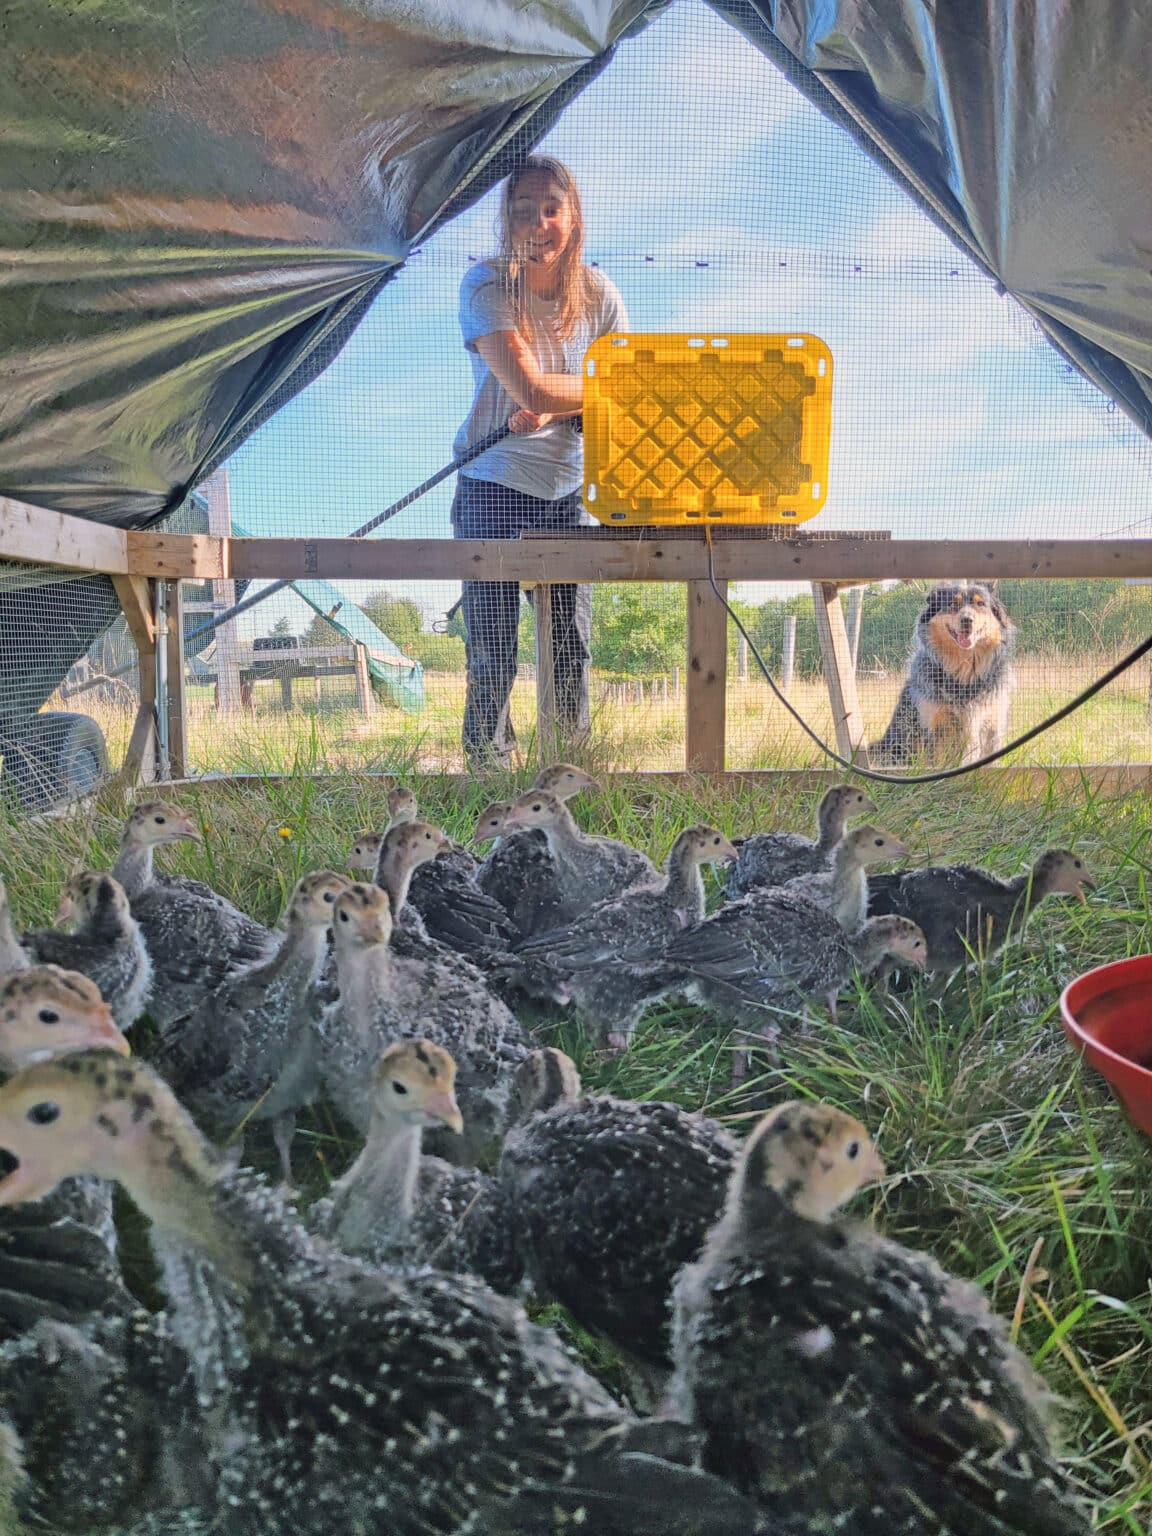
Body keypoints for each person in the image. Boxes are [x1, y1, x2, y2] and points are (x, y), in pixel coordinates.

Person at [451, 154, 628, 766]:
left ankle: (567, 772)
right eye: (522, 210)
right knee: (494, 646)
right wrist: (567, 394)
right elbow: (534, 390)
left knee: (569, 644)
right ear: (505, 219)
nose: (538, 223)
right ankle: (485, 775)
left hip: (569, 488)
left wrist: (563, 404)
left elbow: (625, 391)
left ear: (573, 216)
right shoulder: (486, 286)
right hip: (493, 480)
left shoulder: (601, 295)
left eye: (551, 208)